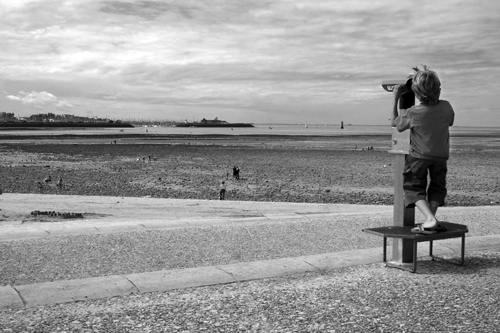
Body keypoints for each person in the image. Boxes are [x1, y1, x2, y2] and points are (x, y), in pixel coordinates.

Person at [392, 65, 455, 234]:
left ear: (417, 93)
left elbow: (396, 124)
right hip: (441, 156)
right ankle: (430, 221)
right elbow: (450, 121)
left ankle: (430, 219)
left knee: (413, 187)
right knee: (437, 188)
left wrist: (396, 98)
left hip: (419, 156)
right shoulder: (447, 107)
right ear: (439, 89)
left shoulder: (413, 112)